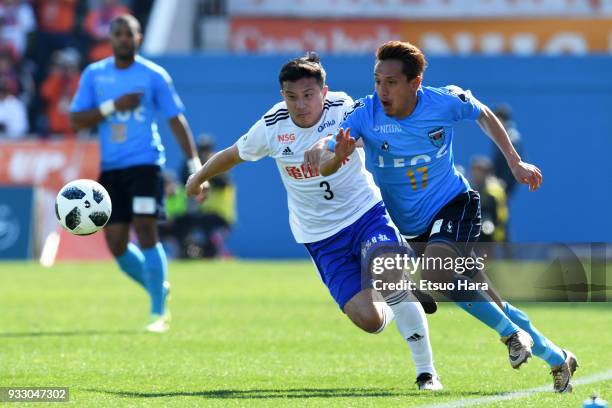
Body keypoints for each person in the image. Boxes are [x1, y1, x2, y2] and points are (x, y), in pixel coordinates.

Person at [306, 41, 577, 393]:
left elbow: (483, 114)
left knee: (437, 273)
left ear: (415, 82)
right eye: (377, 81)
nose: (382, 90)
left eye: (391, 82)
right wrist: (330, 155)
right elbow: (327, 157)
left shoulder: (444, 100)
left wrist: (513, 161)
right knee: (487, 298)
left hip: (454, 205)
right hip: (410, 225)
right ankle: (558, 357)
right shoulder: (363, 114)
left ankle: (511, 336)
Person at [186, 53, 443, 390]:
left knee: (388, 274)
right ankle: (401, 296)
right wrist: (198, 177)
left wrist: (342, 146)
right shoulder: (272, 127)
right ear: (283, 96)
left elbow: (379, 130)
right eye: (292, 97)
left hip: (365, 213)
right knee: (370, 319)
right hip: (320, 236)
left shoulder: (344, 109)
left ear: (324, 91)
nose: (300, 105)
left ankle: (426, 374)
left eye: (308, 95)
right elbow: (233, 154)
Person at [69, 14, 201, 333]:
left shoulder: (153, 75)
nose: (123, 38)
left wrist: (194, 162)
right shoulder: (95, 75)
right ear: (110, 39)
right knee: (114, 242)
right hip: (112, 170)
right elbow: (76, 120)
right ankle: (158, 286)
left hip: (145, 164)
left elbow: (175, 119)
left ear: (139, 38)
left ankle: (158, 312)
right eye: (117, 33)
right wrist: (113, 106)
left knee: (146, 230)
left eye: (129, 33)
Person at [470, 156, 508, 244]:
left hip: (494, 230)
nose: (477, 174)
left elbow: (497, 214)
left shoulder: (494, 190)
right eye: (475, 170)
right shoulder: (468, 187)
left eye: (481, 171)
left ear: (487, 173)